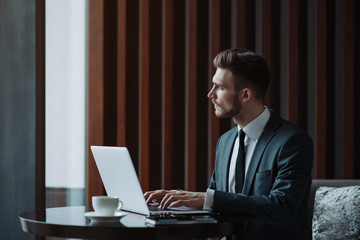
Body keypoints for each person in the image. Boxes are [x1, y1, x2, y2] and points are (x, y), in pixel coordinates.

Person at [144, 48, 314, 240]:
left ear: (245, 95)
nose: (210, 94)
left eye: (220, 87)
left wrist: (207, 199)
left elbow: (282, 207)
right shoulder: (225, 142)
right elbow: (217, 206)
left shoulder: (292, 141)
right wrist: (175, 202)